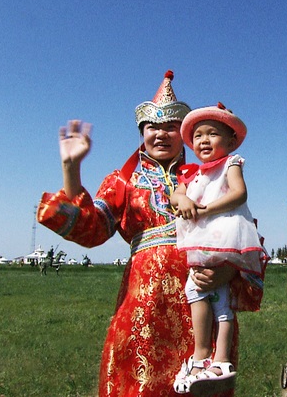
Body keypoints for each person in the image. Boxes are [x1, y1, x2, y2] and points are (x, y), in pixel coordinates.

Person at [37, 71, 264, 397]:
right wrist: (71, 169)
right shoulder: (122, 181)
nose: (160, 134)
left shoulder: (210, 176)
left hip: (203, 294)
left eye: (170, 127)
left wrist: (228, 269)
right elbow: (92, 228)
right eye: (151, 127)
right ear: (142, 132)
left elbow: (243, 232)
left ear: (184, 134)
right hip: (142, 305)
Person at [170, 103, 268, 395]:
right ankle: (201, 354)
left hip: (225, 235)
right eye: (198, 135)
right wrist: (182, 200)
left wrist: (206, 209)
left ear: (230, 141)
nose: (204, 140)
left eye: (213, 134)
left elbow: (239, 193)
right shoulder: (192, 173)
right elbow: (177, 193)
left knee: (222, 299)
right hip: (203, 238)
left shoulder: (231, 164)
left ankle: (220, 357)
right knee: (197, 290)